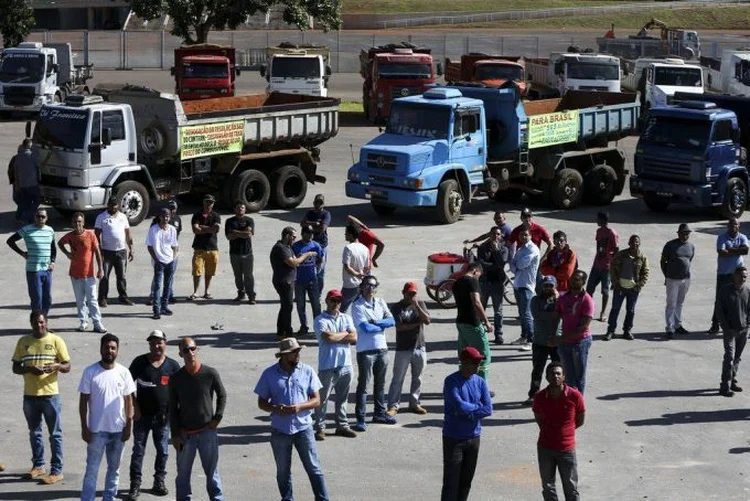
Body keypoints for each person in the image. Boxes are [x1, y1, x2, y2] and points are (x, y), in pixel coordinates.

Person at [255, 338, 330, 500]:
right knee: (283, 472)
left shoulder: (307, 371)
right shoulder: (269, 374)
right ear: (284, 355)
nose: (298, 354)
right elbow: (261, 402)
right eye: (294, 352)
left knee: (314, 468)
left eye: (298, 351)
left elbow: (317, 400)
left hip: (304, 429)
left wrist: (299, 407)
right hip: (280, 430)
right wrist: (275, 408)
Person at [12, 311, 71, 485]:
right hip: (30, 395)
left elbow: (67, 365)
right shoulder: (23, 342)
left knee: (55, 434)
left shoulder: (56, 341)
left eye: (42, 322)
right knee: (35, 433)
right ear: (31, 323)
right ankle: (38, 466)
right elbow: (15, 367)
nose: (39, 325)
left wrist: (57, 366)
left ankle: (57, 470)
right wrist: (30, 369)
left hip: (50, 395)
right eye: (36, 323)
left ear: (46, 322)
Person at [78, 333, 136, 501]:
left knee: (114, 470)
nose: (109, 350)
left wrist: (128, 426)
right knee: (92, 471)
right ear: (101, 348)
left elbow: (129, 401)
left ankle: (109, 498)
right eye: (106, 347)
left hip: (118, 431)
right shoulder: (90, 372)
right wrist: (84, 427)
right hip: (96, 431)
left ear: (117, 350)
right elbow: (83, 402)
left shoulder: (124, 372)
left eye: (113, 348)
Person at [169, 337, 226, 501]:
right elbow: (172, 408)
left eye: (192, 349)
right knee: (183, 475)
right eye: (185, 350)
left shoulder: (210, 373)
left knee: (212, 473)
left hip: (207, 432)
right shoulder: (176, 378)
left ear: (197, 350)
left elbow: (222, 394)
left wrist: (218, 417)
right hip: (185, 435)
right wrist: (175, 434)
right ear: (180, 353)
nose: (190, 353)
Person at [127, 330, 180, 499]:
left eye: (160, 342)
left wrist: (174, 413)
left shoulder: (172, 366)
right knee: (138, 451)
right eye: (153, 342)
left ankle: (159, 482)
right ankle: (135, 485)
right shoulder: (139, 362)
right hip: (142, 417)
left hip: (163, 418)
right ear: (149, 344)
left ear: (165, 343)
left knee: (163, 451)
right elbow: (127, 386)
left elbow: (179, 391)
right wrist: (134, 407)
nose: (156, 346)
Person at [440, 347, 492, 501]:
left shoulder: (480, 381)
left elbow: (488, 409)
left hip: (474, 438)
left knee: (466, 482)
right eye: (475, 362)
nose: (478, 365)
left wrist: (468, 411)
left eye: (478, 362)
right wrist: (477, 408)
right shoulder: (451, 381)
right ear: (464, 363)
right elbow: (459, 406)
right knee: (451, 483)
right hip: (454, 438)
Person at [532, 362, 585, 501]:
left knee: (571, 486)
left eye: (558, 373)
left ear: (564, 377)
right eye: (552, 374)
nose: (555, 376)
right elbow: (539, 419)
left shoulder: (575, 396)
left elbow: (580, 420)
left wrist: (565, 433)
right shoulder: (539, 397)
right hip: (545, 448)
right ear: (547, 377)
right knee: (548, 486)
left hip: (567, 449)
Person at [351, 275, 396, 430]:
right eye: (368, 285)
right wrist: (381, 326)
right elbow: (365, 328)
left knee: (380, 384)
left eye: (373, 285)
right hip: (365, 351)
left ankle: (379, 413)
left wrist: (377, 323)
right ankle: (360, 419)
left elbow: (392, 321)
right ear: (362, 287)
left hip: (382, 348)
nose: (371, 288)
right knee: (363, 386)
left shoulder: (381, 302)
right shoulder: (357, 305)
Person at [313, 289, 358, 440]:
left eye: (338, 301)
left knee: (342, 398)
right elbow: (328, 338)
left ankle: (342, 425)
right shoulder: (320, 319)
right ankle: (320, 427)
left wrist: (340, 336)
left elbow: (354, 338)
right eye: (333, 300)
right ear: (327, 301)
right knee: (322, 398)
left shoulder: (346, 318)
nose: (336, 303)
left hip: (345, 364)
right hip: (328, 365)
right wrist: (345, 334)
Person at [386, 282, 431, 417]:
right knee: (398, 378)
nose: (411, 296)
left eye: (414, 294)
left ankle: (415, 403)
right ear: (403, 293)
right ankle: (393, 406)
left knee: (418, 378)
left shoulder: (420, 304)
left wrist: (417, 307)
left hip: (419, 347)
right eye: (409, 293)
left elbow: (428, 320)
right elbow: (400, 327)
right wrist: (418, 323)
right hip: (403, 348)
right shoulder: (396, 307)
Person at [58, 212, 107, 333]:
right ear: (72, 223)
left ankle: (97, 322)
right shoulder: (69, 236)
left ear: (83, 222)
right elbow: (60, 243)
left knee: (92, 299)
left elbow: (97, 253)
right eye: (75, 222)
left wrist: (100, 269)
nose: (77, 224)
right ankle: (83, 321)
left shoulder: (90, 235)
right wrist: (67, 253)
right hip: (75, 274)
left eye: (79, 222)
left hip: (89, 274)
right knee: (80, 300)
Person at [7, 207, 56, 316]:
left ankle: (43, 322)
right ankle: (36, 325)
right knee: (37, 299)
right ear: (35, 217)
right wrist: (22, 253)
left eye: (43, 216)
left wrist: (52, 262)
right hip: (33, 270)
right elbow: (10, 241)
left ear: (47, 218)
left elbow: (53, 249)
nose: (40, 219)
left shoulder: (50, 230)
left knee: (47, 299)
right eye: (38, 216)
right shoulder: (27, 230)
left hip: (47, 270)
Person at [270, 226, 318, 338]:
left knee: (286, 306)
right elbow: (293, 262)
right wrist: (307, 255)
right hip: (284, 282)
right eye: (293, 236)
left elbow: (295, 259)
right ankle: (286, 332)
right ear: (287, 235)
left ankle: (282, 331)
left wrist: (300, 258)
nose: (295, 239)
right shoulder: (280, 248)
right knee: (287, 307)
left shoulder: (288, 247)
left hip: (289, 280)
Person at [553, 270, 594, 394]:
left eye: (577, 279)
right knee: (567, 375)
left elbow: (583, 327)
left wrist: (560, 338)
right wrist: (554, 334)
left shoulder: (587, 300)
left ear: (583, 282)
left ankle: (578, 403)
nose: (573, 281)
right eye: (572, 278)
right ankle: (569, 401)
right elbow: (556, 316)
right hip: (565, 342)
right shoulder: (564, 297)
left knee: (579, 376)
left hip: (580, 343)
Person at [453, 263, 493, 381]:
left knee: (465, 356)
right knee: (482, 357)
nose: (478, 278)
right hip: (473, 323)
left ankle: (463, 384)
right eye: (479, 275)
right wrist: (486, 321)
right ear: (475, 271)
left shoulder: (457, 282)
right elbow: (476, 302)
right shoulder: (472, 281)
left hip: (461, 322)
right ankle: (482, 387)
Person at [606, 235, 650, 341]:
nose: (634, 244)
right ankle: (610, 331)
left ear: (639, 244)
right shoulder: (621, 255)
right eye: (632, 242)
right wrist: (615, 282)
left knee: (631, 311)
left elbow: (646, 272)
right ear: (629, 243)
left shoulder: (642, 257)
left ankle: (627, 330)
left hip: (633, 289)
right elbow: (612, 267)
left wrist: (639, 285)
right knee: (615, 309)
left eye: (637, 242)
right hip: (619, 288)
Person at [526, 276, 561, 405]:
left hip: (556, 340)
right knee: (537, 369)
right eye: (545, 285)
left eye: (551, 285)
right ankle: (534, 394)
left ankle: (560, 393)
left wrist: (557, 301)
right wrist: (554, 314)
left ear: (555, 286)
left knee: (559, 369)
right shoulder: (535, 300)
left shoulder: (560, 300)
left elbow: (562, 314)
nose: (548, 288)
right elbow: (538, 316)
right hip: (540, 341)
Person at [709, 218, 749, 334]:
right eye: (731, 224)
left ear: (739, 225)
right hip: (723, 274)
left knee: (739, 299)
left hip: (737, 275)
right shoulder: (722, 237)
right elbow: (721, 252)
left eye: (735, 224)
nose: (733, 226)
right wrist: (738, 251)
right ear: (728, 226)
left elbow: (745, 251)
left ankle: (738, 323)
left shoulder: (743, 237)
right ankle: (715, 324)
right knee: (720, 300)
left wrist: (730, 250)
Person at [716, 266, 750, 397]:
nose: (743, 278)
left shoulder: (747, 291)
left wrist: (748, 324)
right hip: (729, 330)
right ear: (734, 276)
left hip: (743, 330)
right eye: (741, 276)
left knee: (737, 358)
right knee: (729, 357)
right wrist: (725, 326)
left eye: (745, 276)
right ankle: (724, 386)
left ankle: (732, 380)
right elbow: (719, 310)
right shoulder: (725, 291)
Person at [95, 197, 134, 307]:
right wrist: (99, 250)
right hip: (107, 252)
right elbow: (96, 235)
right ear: (108, 205)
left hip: (121, 251)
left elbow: (128, 234)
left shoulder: (123, 217)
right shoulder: (101, 217)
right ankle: (102, 298)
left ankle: (123, 297)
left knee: (121, 276)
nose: (114, 207)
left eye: (116, 205)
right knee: (104, 276)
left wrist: (131, 249)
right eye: (112, 205)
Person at [661, 223, 695, 339]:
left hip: (685, 279)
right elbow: (663, 261)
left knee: (680, 303)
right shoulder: (670, 245)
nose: (685, 235)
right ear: (678, 233)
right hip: (672, 279)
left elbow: (689, 260)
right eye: (683, 233)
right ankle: (669, 328)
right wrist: (667, 275)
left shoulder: (691, 247)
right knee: (671, 303)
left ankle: (677, 325)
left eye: (687, 233)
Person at [477, 226, 509, 344]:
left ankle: (498, 335)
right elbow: (481, 263)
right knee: (481, 309)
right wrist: (494, 266)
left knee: (498, 311)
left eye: (498, 234)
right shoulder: (482, 248)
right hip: (484, 282)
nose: (496, 236)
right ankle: (480, 333)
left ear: (501, 236)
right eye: (494, 234)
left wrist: (496, 252)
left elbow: (501, 264)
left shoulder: (504, 249)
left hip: (497, 283)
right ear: (490, 235)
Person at [510, 227, 540, 350]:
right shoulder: (520, 248)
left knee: (527, 314)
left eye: (526, 235)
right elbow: (512, 264)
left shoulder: (533, 249)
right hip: (517, 284)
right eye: (521, 235)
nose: (523, 237)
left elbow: (521, 264)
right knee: (522, 313)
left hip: (527, 286)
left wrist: (516, 265)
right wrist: (516, 265)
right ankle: (523, 336)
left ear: (530, 236)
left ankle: (531, 340)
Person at [586, 212, 619, 322]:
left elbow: (616, 249)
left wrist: (612, 263)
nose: (596, 220)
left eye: (598, 219)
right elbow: (598, 245)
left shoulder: (612, 233)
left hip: (606, 267)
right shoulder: (599, 231)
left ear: (604, 220)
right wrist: (598, 256)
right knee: (589, 288)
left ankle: (603, 312)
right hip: (597, 265)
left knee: (605, 291)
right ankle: (589, 309)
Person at [147, 208, 179, 320]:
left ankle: (164, 307)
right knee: (157, 286)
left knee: (167, 285)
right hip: (159, 261)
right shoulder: (153, 229)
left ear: (170, 217)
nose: (165, 218)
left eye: (167, 216)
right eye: (163, 216)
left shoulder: (172, 229)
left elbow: (175, 245)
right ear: (159, 217)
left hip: (170, 261)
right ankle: (156, 310)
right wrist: (156, 259)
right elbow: (149, 246)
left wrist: (173, 257)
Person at [292, 225, 324, 336]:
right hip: (299, 280)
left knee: (316, 305)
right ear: (303, 233)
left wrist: (317, 269)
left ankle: (318, 327)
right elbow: (293, 260)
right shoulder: (296, 246)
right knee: (300, 305)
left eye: (312, 233)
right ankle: (303, 326)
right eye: (308, 233)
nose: (310, 235)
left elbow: (320, 258)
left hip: (312, 280)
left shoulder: (316, 246)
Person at [189, 195, 221, 300]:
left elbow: (215, 230)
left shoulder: (216, 216)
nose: (209, 204)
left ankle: (207, 291)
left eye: (211, 202)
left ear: (213, 203)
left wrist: (203, 228)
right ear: (203, 202)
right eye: (207, 202)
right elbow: (195, 230)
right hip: (199, 247)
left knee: (210, 271)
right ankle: (196, 291)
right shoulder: (197, 215)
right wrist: (209, 229)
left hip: (212, 247)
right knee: (197, 271)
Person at [225, 201, 256, 304]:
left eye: (242, 207)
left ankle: (251, 295)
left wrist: (235, 232)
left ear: (245, 209)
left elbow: (249, 234)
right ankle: (241, 293)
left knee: (248, 276)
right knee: (237, 275)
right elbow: (229, 237)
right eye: (238, 208)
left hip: (247, 253)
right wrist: (242, 233)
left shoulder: (249, 220)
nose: (240, 209)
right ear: (235, 209)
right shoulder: (229, 221)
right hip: (234, 253)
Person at [301, 194, 331, 293]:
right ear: (314, 203)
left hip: (321, 245)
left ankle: (318, 292)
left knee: (320, 271)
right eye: (317, 202)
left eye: (320, 203)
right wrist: (315, 224)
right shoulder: (309, 212)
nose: (318, 204)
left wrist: (309, 224)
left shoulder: (326, 214)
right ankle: (308, 289)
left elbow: (322, 228)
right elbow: (302, 223)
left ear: (323, 204)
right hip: (309, 245)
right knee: (308, 268)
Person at [341, 224, 370, 313]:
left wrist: (356, 274)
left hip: (349, 285)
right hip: (360, 285)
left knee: (341, 309)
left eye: (346, 233)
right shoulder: (365, 248)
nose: (345, 235)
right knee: (357, 310)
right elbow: (367, 267)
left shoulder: (348, 248)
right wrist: (361, 275)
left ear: (351, 235)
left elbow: (347, 267)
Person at [12, 138, 40, 224]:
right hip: (32, 184)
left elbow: (15, 170)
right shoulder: (32, 155)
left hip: (22, 184)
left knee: (25, 201)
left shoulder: (18, 156)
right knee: (37, 200)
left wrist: (17, 184)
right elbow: (40, 166)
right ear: (29, 145)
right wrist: (48, 157)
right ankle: (29, 216)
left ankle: (19, 216)